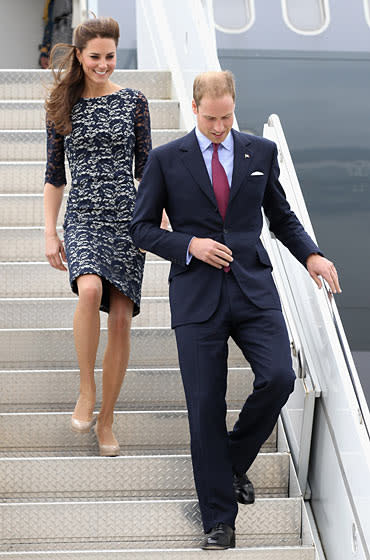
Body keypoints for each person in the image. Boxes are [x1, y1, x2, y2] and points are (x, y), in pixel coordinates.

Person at [130, 71, 340, 549]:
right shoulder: (166, 160)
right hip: (197, 294)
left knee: (279, 378)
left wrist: (311, 254)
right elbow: (141, 229)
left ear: (233, 107)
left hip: (253, 289)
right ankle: (219, 522)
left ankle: (229, 462)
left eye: (226, 117)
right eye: (210, 118)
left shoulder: (260, 153)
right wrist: (190, 245)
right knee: (205, 407)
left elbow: (281, 215)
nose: (220, 126)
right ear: (194, 106)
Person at [44, 16, 151, 456]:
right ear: (79, 55)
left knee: (122, 319)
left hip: (127, 218)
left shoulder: (134, 102)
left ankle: (106, 420)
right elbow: (54, 176)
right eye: (95, 57)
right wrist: (50, 233)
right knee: (88, 291)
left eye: (110, 56)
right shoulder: (60, 104)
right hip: (84, 215)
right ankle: (86, 388)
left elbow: (146, 169)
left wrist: (157, 216)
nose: (103, 64)